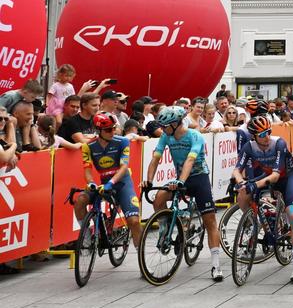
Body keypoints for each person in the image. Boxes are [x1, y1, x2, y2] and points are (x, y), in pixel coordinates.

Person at [144, 106, 225, 282]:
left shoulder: (194, 136)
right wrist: (149, 181)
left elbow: (190, 160)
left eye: (165, 126)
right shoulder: (167, 136)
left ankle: (216, 265)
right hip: (180, 177)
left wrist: (180, 181)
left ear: (174, 124)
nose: (162, 130)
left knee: (210, 220)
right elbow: (156, 158)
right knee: (159, 199)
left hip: (198, 177)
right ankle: (165, 231)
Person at [233, 115, 293, 282]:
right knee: (243, 194)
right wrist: (240, 182)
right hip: (264, 175)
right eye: (262, 134)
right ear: (254, 136)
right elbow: (237, 170)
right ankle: (251, 221)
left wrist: (254, 185)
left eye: (268, 132)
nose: (266, 136)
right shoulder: (248, 147)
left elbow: (274, 177)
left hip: (286, 176)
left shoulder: (278, 143)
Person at [75, 112, 142, 248]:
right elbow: (87, 171)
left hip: (122, 182)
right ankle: (86, 236)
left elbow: (124, 167)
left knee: (134, 221)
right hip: (103, 183)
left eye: (114, 128)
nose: (112, 131)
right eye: (108, 129)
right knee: (80, 200)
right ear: (98, 130)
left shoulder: (122, 141)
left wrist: (111, 183)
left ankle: (141, 254)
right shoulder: (88, 146)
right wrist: (91, 183)